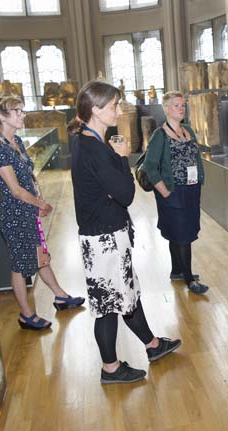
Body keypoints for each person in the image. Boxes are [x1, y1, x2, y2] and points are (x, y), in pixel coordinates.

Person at [69, 81, 181, 384]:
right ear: (95, 110)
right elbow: (126, 194)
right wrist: (120, 157)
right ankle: (111, 368)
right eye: (114, 106)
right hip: (103, 237)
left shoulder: (83, 138)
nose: (119, 111)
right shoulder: (96, 148)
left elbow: (112, 193)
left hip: (103, 233)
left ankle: (152, 345)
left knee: (126, 295)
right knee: (108, 306)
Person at [0, 96, 84, 331]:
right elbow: (16, 190)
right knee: (20, 265)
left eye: (22, 110)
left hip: (29, 210)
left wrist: (38, 200)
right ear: (1, 117)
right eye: (16, 111)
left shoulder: (16, 141)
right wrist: (41, 204)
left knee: (41, 256)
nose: (22, 115)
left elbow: (29, 177)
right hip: (15, 215)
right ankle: (26, 314)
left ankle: (60, 296)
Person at [142, 91, 208, 294]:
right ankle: (189, 280)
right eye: (177, 105)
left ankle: (177, 271)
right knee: (183, 235)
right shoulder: (159, 135)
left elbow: (195, 157)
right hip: (172, 192)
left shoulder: (188, 130)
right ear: (166, 109)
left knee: (178, 233)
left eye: (183, 105)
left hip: (190, 190)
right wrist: (165, 192)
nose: (181, 108)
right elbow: (150, 167)